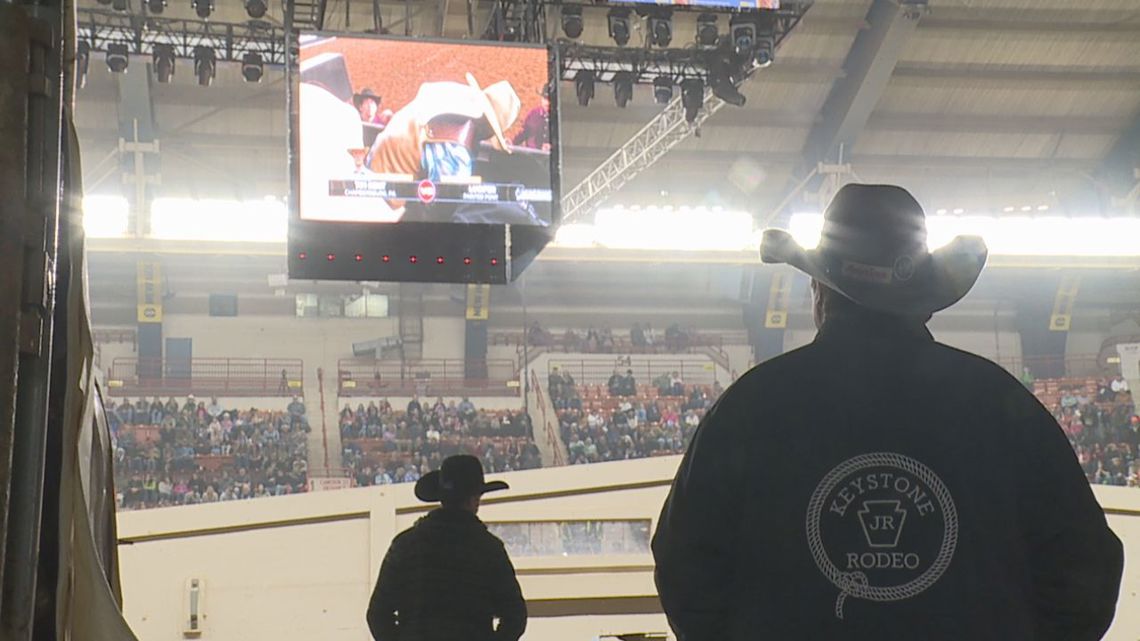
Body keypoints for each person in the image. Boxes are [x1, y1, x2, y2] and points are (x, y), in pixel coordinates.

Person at [652, 184, 1123, 640]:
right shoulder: (1004, 406)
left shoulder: (749, 407)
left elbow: (685, 565)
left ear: (819, 291)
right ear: (926, 302)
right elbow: (1085, 571)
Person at [367, 454, 526, 641]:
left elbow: (377, 614)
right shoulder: (489, 549)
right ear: (474, 500)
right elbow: (515, 616)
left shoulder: (405, 545)